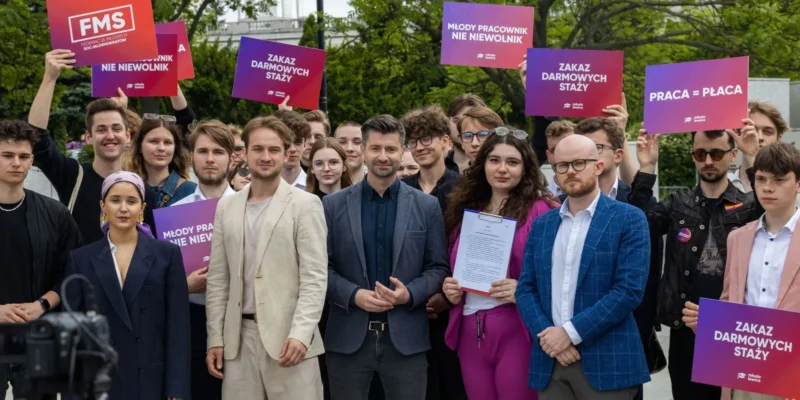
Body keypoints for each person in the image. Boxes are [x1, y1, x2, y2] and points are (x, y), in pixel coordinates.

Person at [630, 126, 764, 400]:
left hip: (733, 328)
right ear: (693, 155)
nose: (708, 161)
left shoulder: (748, 206)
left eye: (716, 153)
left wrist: (754, 159)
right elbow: (635, 224)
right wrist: (646, 168)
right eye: (700, 153)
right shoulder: (678, 204)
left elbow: (770, 210)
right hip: (685, 329)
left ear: (733, 154)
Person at [323, 115, 450, 400]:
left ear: (402, 151)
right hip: (347, 340)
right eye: (376, 148)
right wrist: (354, 294)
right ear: (364, 151)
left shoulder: (426, 206)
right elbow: (320, 269)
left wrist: (410, 294)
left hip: (407, 340)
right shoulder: (332, 205)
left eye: (391, 149)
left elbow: (438, 266)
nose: (383, 156)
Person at [516, 134, 651, 399]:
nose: (570, 171)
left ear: (598, 166)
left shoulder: (629, 219)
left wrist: (568, 334)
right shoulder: (543, 224)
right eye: (562, 165)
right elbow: (525, 289)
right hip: (551, 362)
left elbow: (628, 291)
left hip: (607, 362)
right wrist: (550, 338)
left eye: (579, 163)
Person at [205, 116, 327, 400]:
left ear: (286, 154)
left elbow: (315, 278)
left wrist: (301, 333)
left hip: (289, 340)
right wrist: (215, 338)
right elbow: (218, 280)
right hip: (238, 342)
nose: (266, 156)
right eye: (258, 149)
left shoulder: (306, 205)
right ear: (244, 153)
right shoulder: (227, 206)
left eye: (274, 150)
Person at [442, 128, 557, 400]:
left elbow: (559, 272)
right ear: (483, 165)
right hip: (470, 327)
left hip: (516, 326)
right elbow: (454, 265)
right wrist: (449, 289)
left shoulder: (542, 210)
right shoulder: (464, 210)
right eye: (494, 160)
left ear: (525, 167)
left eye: (512, 162)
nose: (502, 169)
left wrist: (524, 289)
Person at [682, 142, 800, 400]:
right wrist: (709, 323)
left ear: (798, 184)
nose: (768, 187)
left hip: (793, 371)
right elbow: (730, 301)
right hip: (743, 370)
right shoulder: (737, 238)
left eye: (779, 179)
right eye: (761, 179)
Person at [64, 171, 190, 400]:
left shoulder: (166, 254)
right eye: (115, 200)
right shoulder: (80, 259)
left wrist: (177, 387)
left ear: (142, 208)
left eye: (131, 201)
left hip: (151, 378)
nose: (123, 208)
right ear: (103, 206)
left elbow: (178, 326)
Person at [570, 118, 666, 398]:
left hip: (626, 343)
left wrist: (637, 335)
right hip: (571, 342)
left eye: (597, 147)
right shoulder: (558, 209)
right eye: (582, 149)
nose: (588, 156)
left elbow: (648, 279)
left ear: (618, 154)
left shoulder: (639, 204)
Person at [28, 50, 165, 242]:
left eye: (116, 128)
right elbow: (36, 136)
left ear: (127, 136)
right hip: (79, 272)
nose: (110, 135)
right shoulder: (71, 176)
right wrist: (50, 78)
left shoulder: (143, 192)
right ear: (88, 137)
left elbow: (156, 250)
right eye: (101, 129)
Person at [0, 120, 82, 399]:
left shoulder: (55, 214)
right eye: (7, 156)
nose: (16, 163)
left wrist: (43, 304)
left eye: (23, 157)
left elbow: (71, 272)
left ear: (32, 160)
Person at [400, 105, 465, 400]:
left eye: (427, 138)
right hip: (409, 305)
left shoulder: (465, 190)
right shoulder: (400, 189)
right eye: (414, 140)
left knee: (452, 385)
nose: (420, 146)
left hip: (453, 303)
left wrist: (446, 296)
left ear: (446, 142)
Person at [172, 120, 238, 400]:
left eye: (218, 152)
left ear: (232, 158)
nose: (210, 159)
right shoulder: (175, 215)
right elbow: (163, 279)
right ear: (191, 156)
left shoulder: (253, 208)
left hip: (242, 320)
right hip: (194, 325)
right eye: (203, 151)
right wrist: (184, 285)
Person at [305, 137, 353, 400]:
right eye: (319, 163)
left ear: (344, 165)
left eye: (334, 162)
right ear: (311, 168)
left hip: (350, 297)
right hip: (316, 302)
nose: (327, 168)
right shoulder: (303, 203)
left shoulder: (357, 201)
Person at [127, 117, 196, 207]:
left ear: (175, 148)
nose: (161, 148)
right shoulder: (126, 187)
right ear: (140, 147)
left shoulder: (191, 191)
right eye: (154, 141)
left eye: (167, 142)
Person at [728, 101, 790, 192]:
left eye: (768, 132)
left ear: (778, 139)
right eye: (752, 130)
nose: (759, 137)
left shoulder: (792, 187)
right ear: (739, 133)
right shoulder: (721, 185)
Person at [445, 94, 486, 174]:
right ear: (447, 122)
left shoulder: (493, 166)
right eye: (456, 121)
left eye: (470, 121)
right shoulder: (437, 165)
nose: (462, 127)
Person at [273, 109, 312, 189]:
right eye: (286, 143)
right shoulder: (253, 190)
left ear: (304, 145)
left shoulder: (316, 188)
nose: (292, 149)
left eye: (298, 142)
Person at [543, 121, 574, 196]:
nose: (561, 156)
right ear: (548, 155)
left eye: (567, 147)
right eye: (554, 150)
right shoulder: (539, 199)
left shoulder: (599, 193)